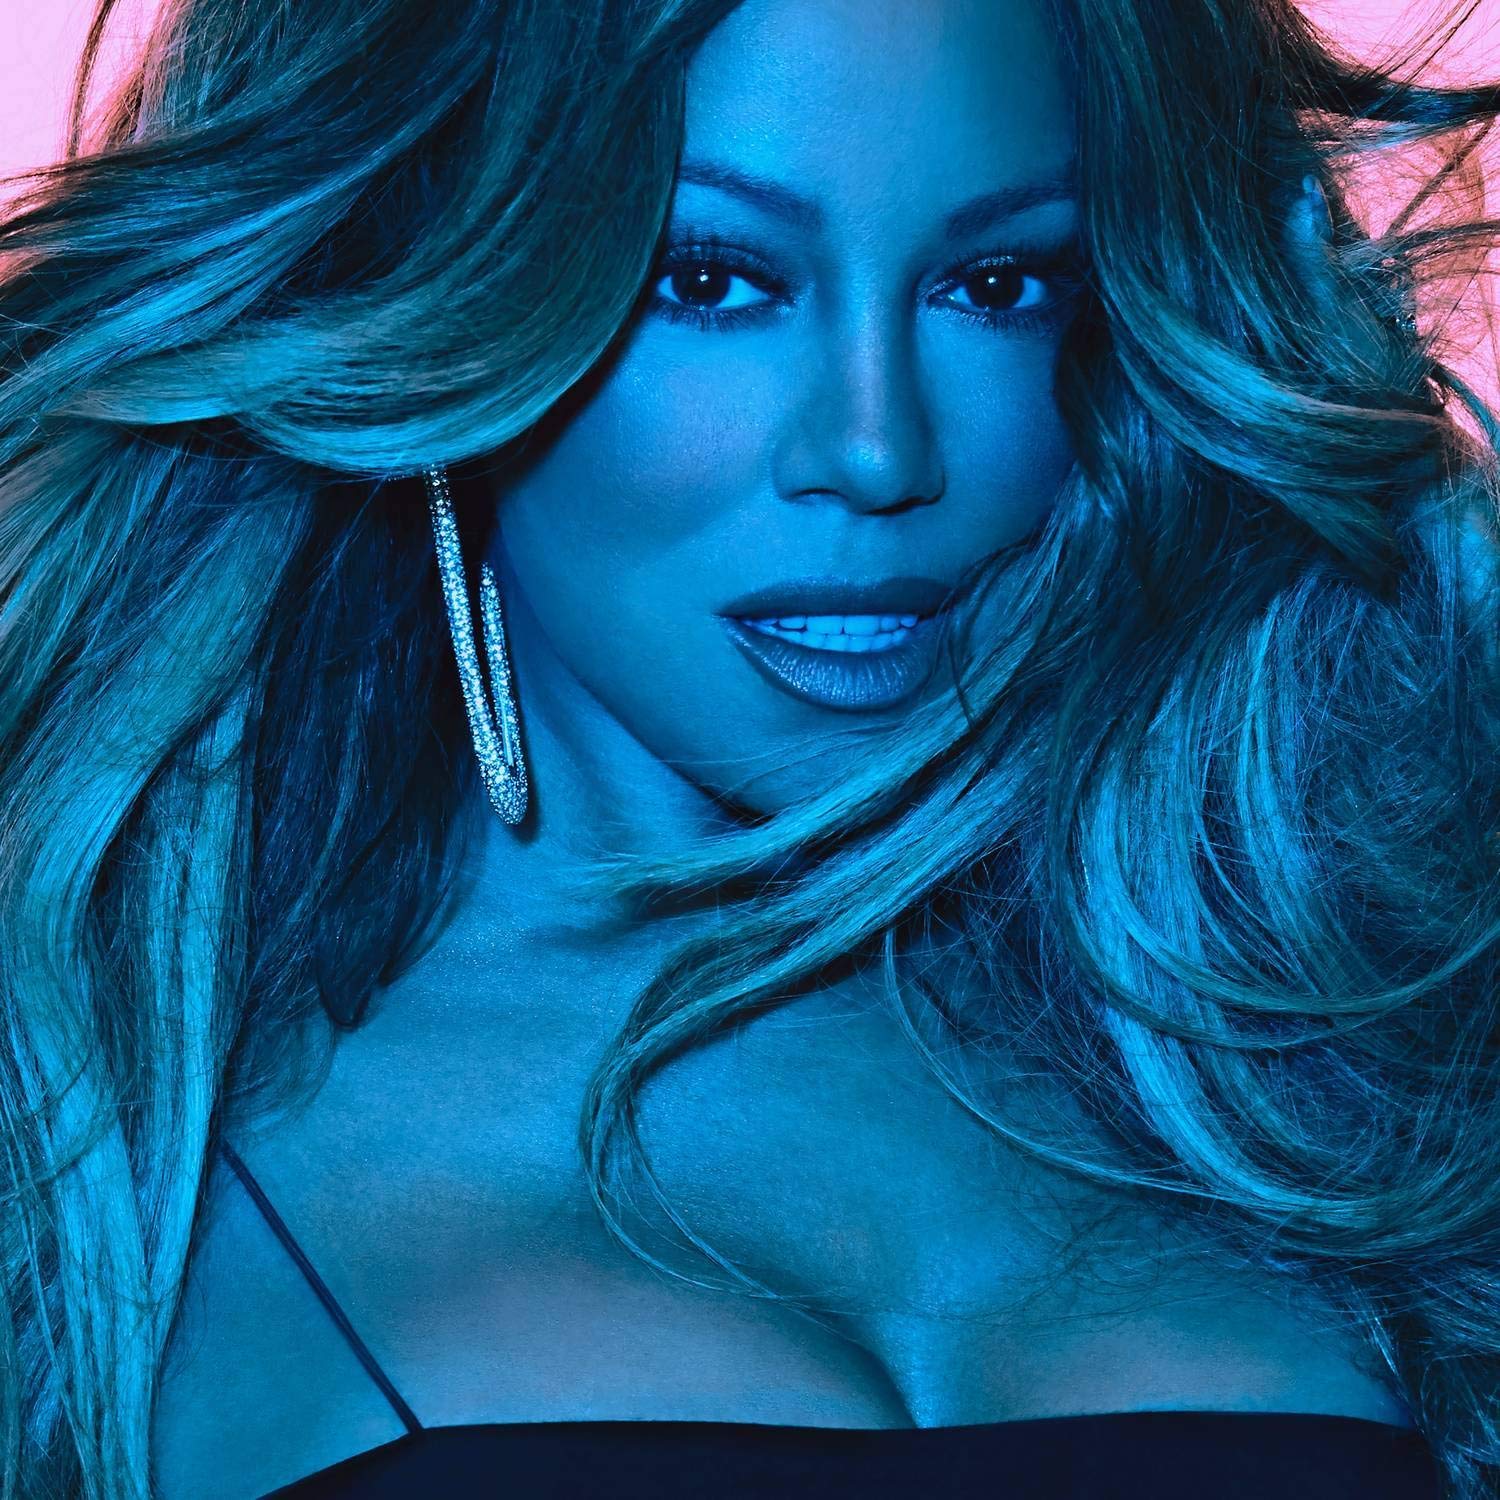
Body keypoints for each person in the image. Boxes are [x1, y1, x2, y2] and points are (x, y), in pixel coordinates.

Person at [0, 0, 1495, 1494]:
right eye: (711, 280)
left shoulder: (1309, 1049)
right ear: (434, 301)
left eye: (995, 285)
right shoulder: (93, 1148)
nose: (879, 450)